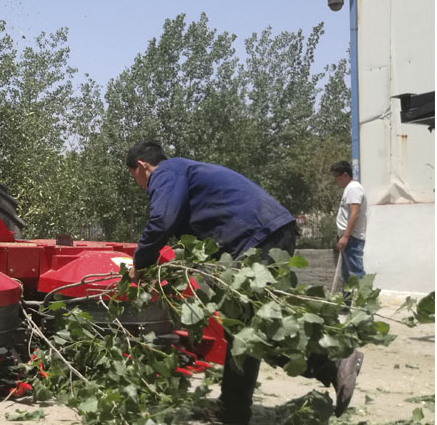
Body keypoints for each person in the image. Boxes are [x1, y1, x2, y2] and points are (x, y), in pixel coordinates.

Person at [126, 141, 363, 424]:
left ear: (142, 166)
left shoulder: (165, 172)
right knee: (242, 330)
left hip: (258, 237)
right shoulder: (184, 173)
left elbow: (161, 221)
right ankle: (234, 409)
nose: (141, 187)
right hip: (262, 233)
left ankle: (334, 364)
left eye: (136, 179)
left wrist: (139, 264)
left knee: (255, 327)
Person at [329, 160, 367, 305]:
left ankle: (363, 309)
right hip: (347, 238)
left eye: (336, 176)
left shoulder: (353, 188)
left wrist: (345, 236)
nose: (336, 180)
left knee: (356, 274)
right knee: (346, 275)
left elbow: (354, 213)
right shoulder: (349, 189)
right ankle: (347, 305)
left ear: (345, 175)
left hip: (352, 238)